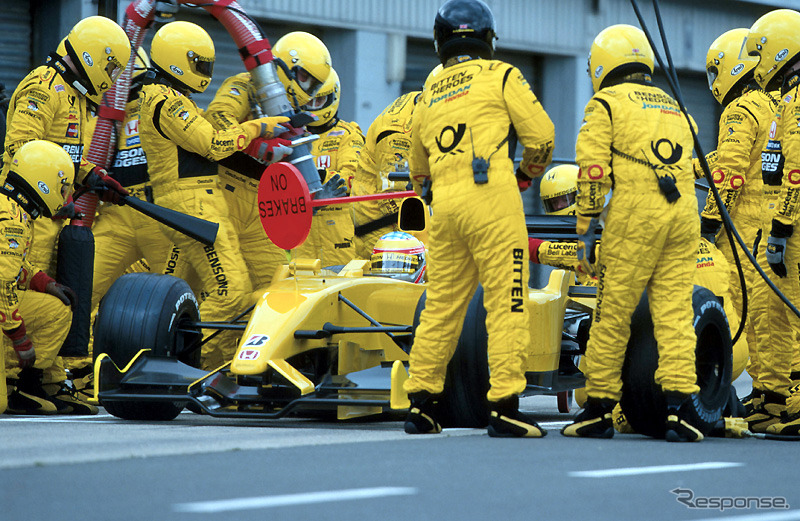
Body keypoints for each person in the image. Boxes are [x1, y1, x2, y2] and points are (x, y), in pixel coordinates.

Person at [403, 0, 555, 438]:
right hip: (493, 200)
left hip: (446, 208)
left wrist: (435, 190)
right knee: (507, 300)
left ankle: (422, 405)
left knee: (441, 306)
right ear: (488, 39)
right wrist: (527, 172)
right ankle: (505, 406)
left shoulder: (430, 92)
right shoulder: (501, 74)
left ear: (440, 42)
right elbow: (541, 136)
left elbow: (418, 170)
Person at [560, 24, 702, 442]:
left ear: (603, 65)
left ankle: (598, 410)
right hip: (682, 215)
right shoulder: (679, 108)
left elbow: (592, 171)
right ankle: (680, 412)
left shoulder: (605, 104)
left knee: (611, 314)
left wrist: (585, 228)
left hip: (635, 216)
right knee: (675, 315)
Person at [137, 21, 290, 370]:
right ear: (178, 61)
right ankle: (197, 368)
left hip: (199, 202)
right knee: (232, 292)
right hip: (191, 205)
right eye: (200, 65)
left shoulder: (170, 98)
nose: (204, 73)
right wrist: (259, 126)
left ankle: (216, 365)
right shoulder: (167, 103)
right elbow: (213, 144)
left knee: (189, 290)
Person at [1, 16, 132, 276]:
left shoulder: (75, 95)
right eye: (111, 68)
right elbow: (21, 149)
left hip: (52, 216)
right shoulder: (44, 86)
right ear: (93, 55)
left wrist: (92, 175)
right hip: (26, 215)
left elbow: (60, 154)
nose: (112, 78)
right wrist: (61, 196)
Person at [698, 28, 780, 419]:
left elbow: (730, 172)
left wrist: (709, 223)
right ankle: (770, 392)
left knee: (751, 314)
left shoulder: (740, 109)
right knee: (773, 313)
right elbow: (731, 157)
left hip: (747, 230)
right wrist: (689, 162)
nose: (715, 83)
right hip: (774, 224)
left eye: (716, 72)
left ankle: (771, 397)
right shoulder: (772, 104)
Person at [1, 140, 90, 415]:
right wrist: (20, 339)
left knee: (56, 307)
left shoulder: (13, 208)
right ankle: (13, 386)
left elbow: (13, 267)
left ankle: (23, 384)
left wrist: (44, 282)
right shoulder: (13, 219)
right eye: (63, 189)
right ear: (43, 183)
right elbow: (2, 285)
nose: (65, 198)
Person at [748, 9, 800, 435]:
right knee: (779, 313)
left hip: (793, 224)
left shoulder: (798, 99)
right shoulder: (787, 98)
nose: (755, 63)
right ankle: (779, 398)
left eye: (759, 53)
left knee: (796, 313)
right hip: (783, 220)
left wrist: (782, 228)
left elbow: (798, 169)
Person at [294, 68, 365, 266]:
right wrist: (316, 194)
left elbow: (351, 177)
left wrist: (315, 184)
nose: (314, 106)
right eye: (309, 101)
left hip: (339, 241)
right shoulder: (293, 138)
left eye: (320, 101)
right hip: (303, 240)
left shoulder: (349, 135)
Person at [352, 91, 421, 259]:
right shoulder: (398, 133)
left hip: (390, 212)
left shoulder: (421, 100)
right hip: (377, 220)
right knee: (397, 277)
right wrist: (418, 235)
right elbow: (390, 196)